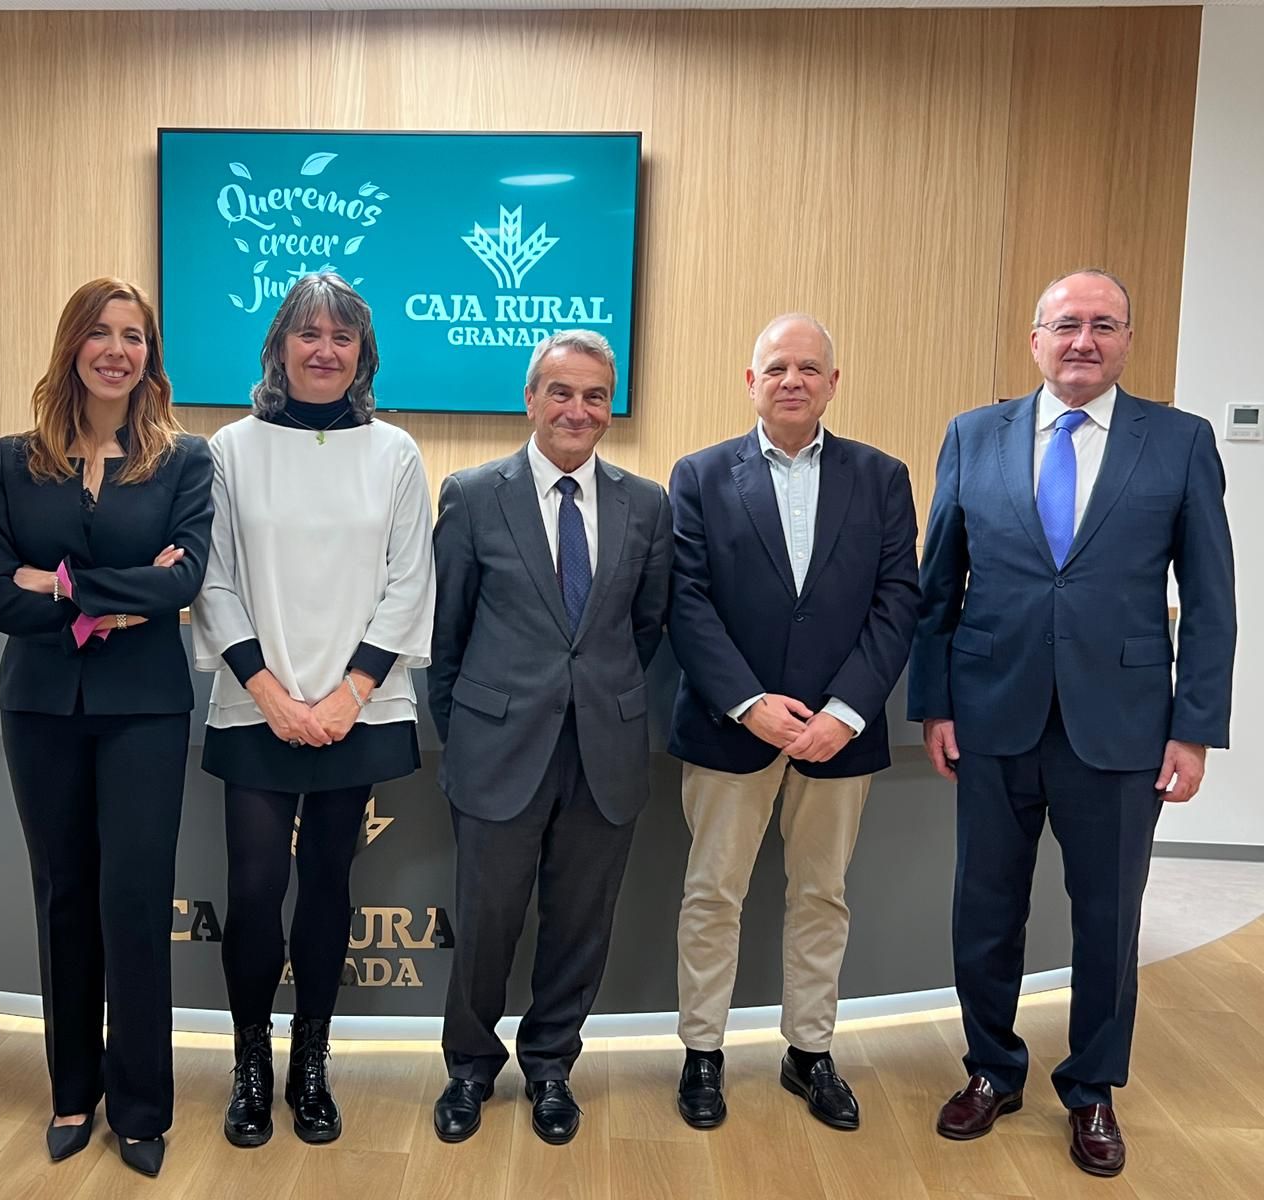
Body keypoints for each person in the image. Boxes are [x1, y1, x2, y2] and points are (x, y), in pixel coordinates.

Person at [908, 269, 1236, 1177]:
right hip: (991, 715)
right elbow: (938, 589)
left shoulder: (1178, 441)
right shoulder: (973, 435)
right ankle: (991, 1069)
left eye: (1102, 324)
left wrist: (1194, 727)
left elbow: (1211, 596)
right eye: (1065, 325)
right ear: (1035, 340)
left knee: (1107, 919)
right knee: (985, 910)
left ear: (1127, 339)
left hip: (1123, 726)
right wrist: (934, 703)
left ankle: (1091, 1088)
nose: (1083, 340)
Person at [0, 277, 214, 1178]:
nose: (117, 350)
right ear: (72, 343)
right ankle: (72, 1091)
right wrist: (118, 596)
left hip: (143, 709)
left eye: (134, 336)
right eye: (102, 333)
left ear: (150, 356)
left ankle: (142, 1105)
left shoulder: (184, 462)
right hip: (39, 707)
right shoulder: (12, 461)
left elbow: (181, 583)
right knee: (63, 896)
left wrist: (60, 583)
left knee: (136, 901)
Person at [191, 273, 435, 1148]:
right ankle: (251, 1062)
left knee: (329, 887)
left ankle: (311, 1060)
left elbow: (410, 582)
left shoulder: (395, 453)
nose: (324, 350)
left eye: (342, 337)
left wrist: (347, 696)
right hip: (256, 705)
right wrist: (270, 695)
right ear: (279, 348)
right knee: (255, 892)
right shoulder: (229, 450)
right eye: (308, 334)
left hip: (355, 711)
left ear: (363, 355)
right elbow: (213, 580)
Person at [667, 314, 919, 1132]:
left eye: (810, 368)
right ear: (751, 382)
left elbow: (897, 603)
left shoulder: (881, 478)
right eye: (777, 367)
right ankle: (702, 1052)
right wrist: (750, 704)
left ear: (833, 384)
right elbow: (687, 602)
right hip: (730, 728)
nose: (793, 381)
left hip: (839, 736)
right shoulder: (700, 475)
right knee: (713, 895)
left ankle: (809, 1052)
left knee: (821, 896)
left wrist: (844, 713)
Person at [428, 330, 672, 1146]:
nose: (578, 409)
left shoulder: (646, 504)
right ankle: (469, 1067)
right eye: (561, 392)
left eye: (595, 395)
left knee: (579, 923)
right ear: (530, 399)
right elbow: (447, 634)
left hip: (604, 750)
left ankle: (551, 1066)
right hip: (498, 749)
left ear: (611, 406)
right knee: (486, 920)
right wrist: (465, 734)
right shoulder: (472, 496)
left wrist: (596, 696)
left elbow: (645, 626)